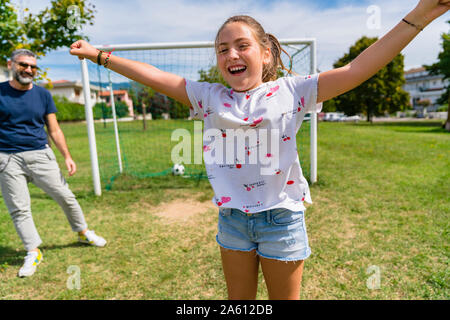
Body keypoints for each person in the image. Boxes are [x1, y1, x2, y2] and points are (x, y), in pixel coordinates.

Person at [69, 0, 448, 299]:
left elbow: (357, 69)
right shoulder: (207, 96)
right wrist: (99, 55)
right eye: (222, 49)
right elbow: (151, 75)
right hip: (232, 219)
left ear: (265, 53)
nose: (231, 54)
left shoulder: (292, 90)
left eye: (241, 45)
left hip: (281, 220)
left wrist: (419, 15)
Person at [0, 49, 107, 278]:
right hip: (7, 159)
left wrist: (67, 155)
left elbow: (54, 129)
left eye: (33, 66)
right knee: (19, 208)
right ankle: (33, 250)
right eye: (23, 65)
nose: (29, 70)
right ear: (11, 64)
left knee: (65, 196)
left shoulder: (43, 95)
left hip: (40, 155)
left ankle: (83, 231)